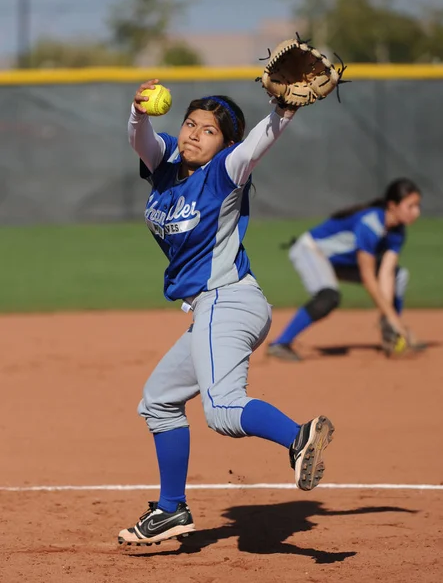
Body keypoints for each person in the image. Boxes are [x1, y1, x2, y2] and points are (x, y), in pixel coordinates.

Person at [117, 79, 334, 546]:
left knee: (221, 410)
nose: (195, 135)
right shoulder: (168, 162)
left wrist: (283, 110)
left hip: (227, 300)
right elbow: (141, 139)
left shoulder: (226, 171)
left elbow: (257, 144)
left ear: (225, 144)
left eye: (209, 130)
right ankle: (172, 509)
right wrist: (138, 111)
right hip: (214, 308)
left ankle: (298, 437)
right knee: (159, 399)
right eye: (191, 124)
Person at [267, 178, 422, 361]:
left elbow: (386, 274)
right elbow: (368, 277)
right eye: (410, 206)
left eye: (417, 206)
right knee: (329, 296)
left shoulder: (398, 231)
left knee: (398, 276)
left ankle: (391, 334)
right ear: (392, 206)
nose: (416, 212)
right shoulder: (370, 224)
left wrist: (389, 319)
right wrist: (395, 320)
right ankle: (280, 344)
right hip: (311, 251)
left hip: (341, 263)